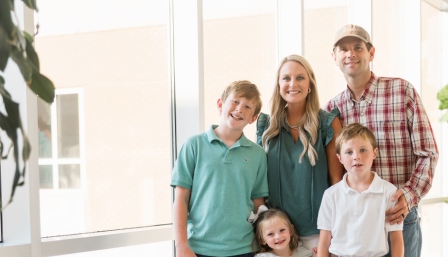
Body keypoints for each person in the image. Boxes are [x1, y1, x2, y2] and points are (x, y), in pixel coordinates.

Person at [325, 24, 439, 257]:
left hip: (399, 215)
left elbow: (428, 153)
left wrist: (407, 197)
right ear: (334, 57)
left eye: (358, 47)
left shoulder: (402, 91)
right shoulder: (332, 109)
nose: (351, 54)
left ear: (371, 53)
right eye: (343, 49)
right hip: (355, 225)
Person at [171, 80, 269, 257]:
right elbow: (181, 199)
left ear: (253, 117)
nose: (239, 109)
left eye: (247, 106)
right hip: (198, 249)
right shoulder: (194, 145)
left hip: (244, 249)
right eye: (235, 101)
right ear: (220, 104)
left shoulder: (258, 154)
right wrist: (181, 246)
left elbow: (258, 204)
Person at [257, 54, 344, 250]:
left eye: (300, 77)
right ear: (278, 85)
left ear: (310, 84)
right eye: (286, 78)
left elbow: (337, 182)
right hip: (278, 236)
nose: (292, 83)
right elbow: (258, 184)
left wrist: (333, 234)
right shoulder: (267, 128)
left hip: (319, 233)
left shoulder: (327, 123)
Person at [317, 123, 404, 257]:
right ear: (339, 158)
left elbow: (396, 239)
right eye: (349, 152)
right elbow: (324, 241)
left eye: (363, 150)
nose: (356, 156)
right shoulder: (331, 195)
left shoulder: (389, 192)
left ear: (374, 153)